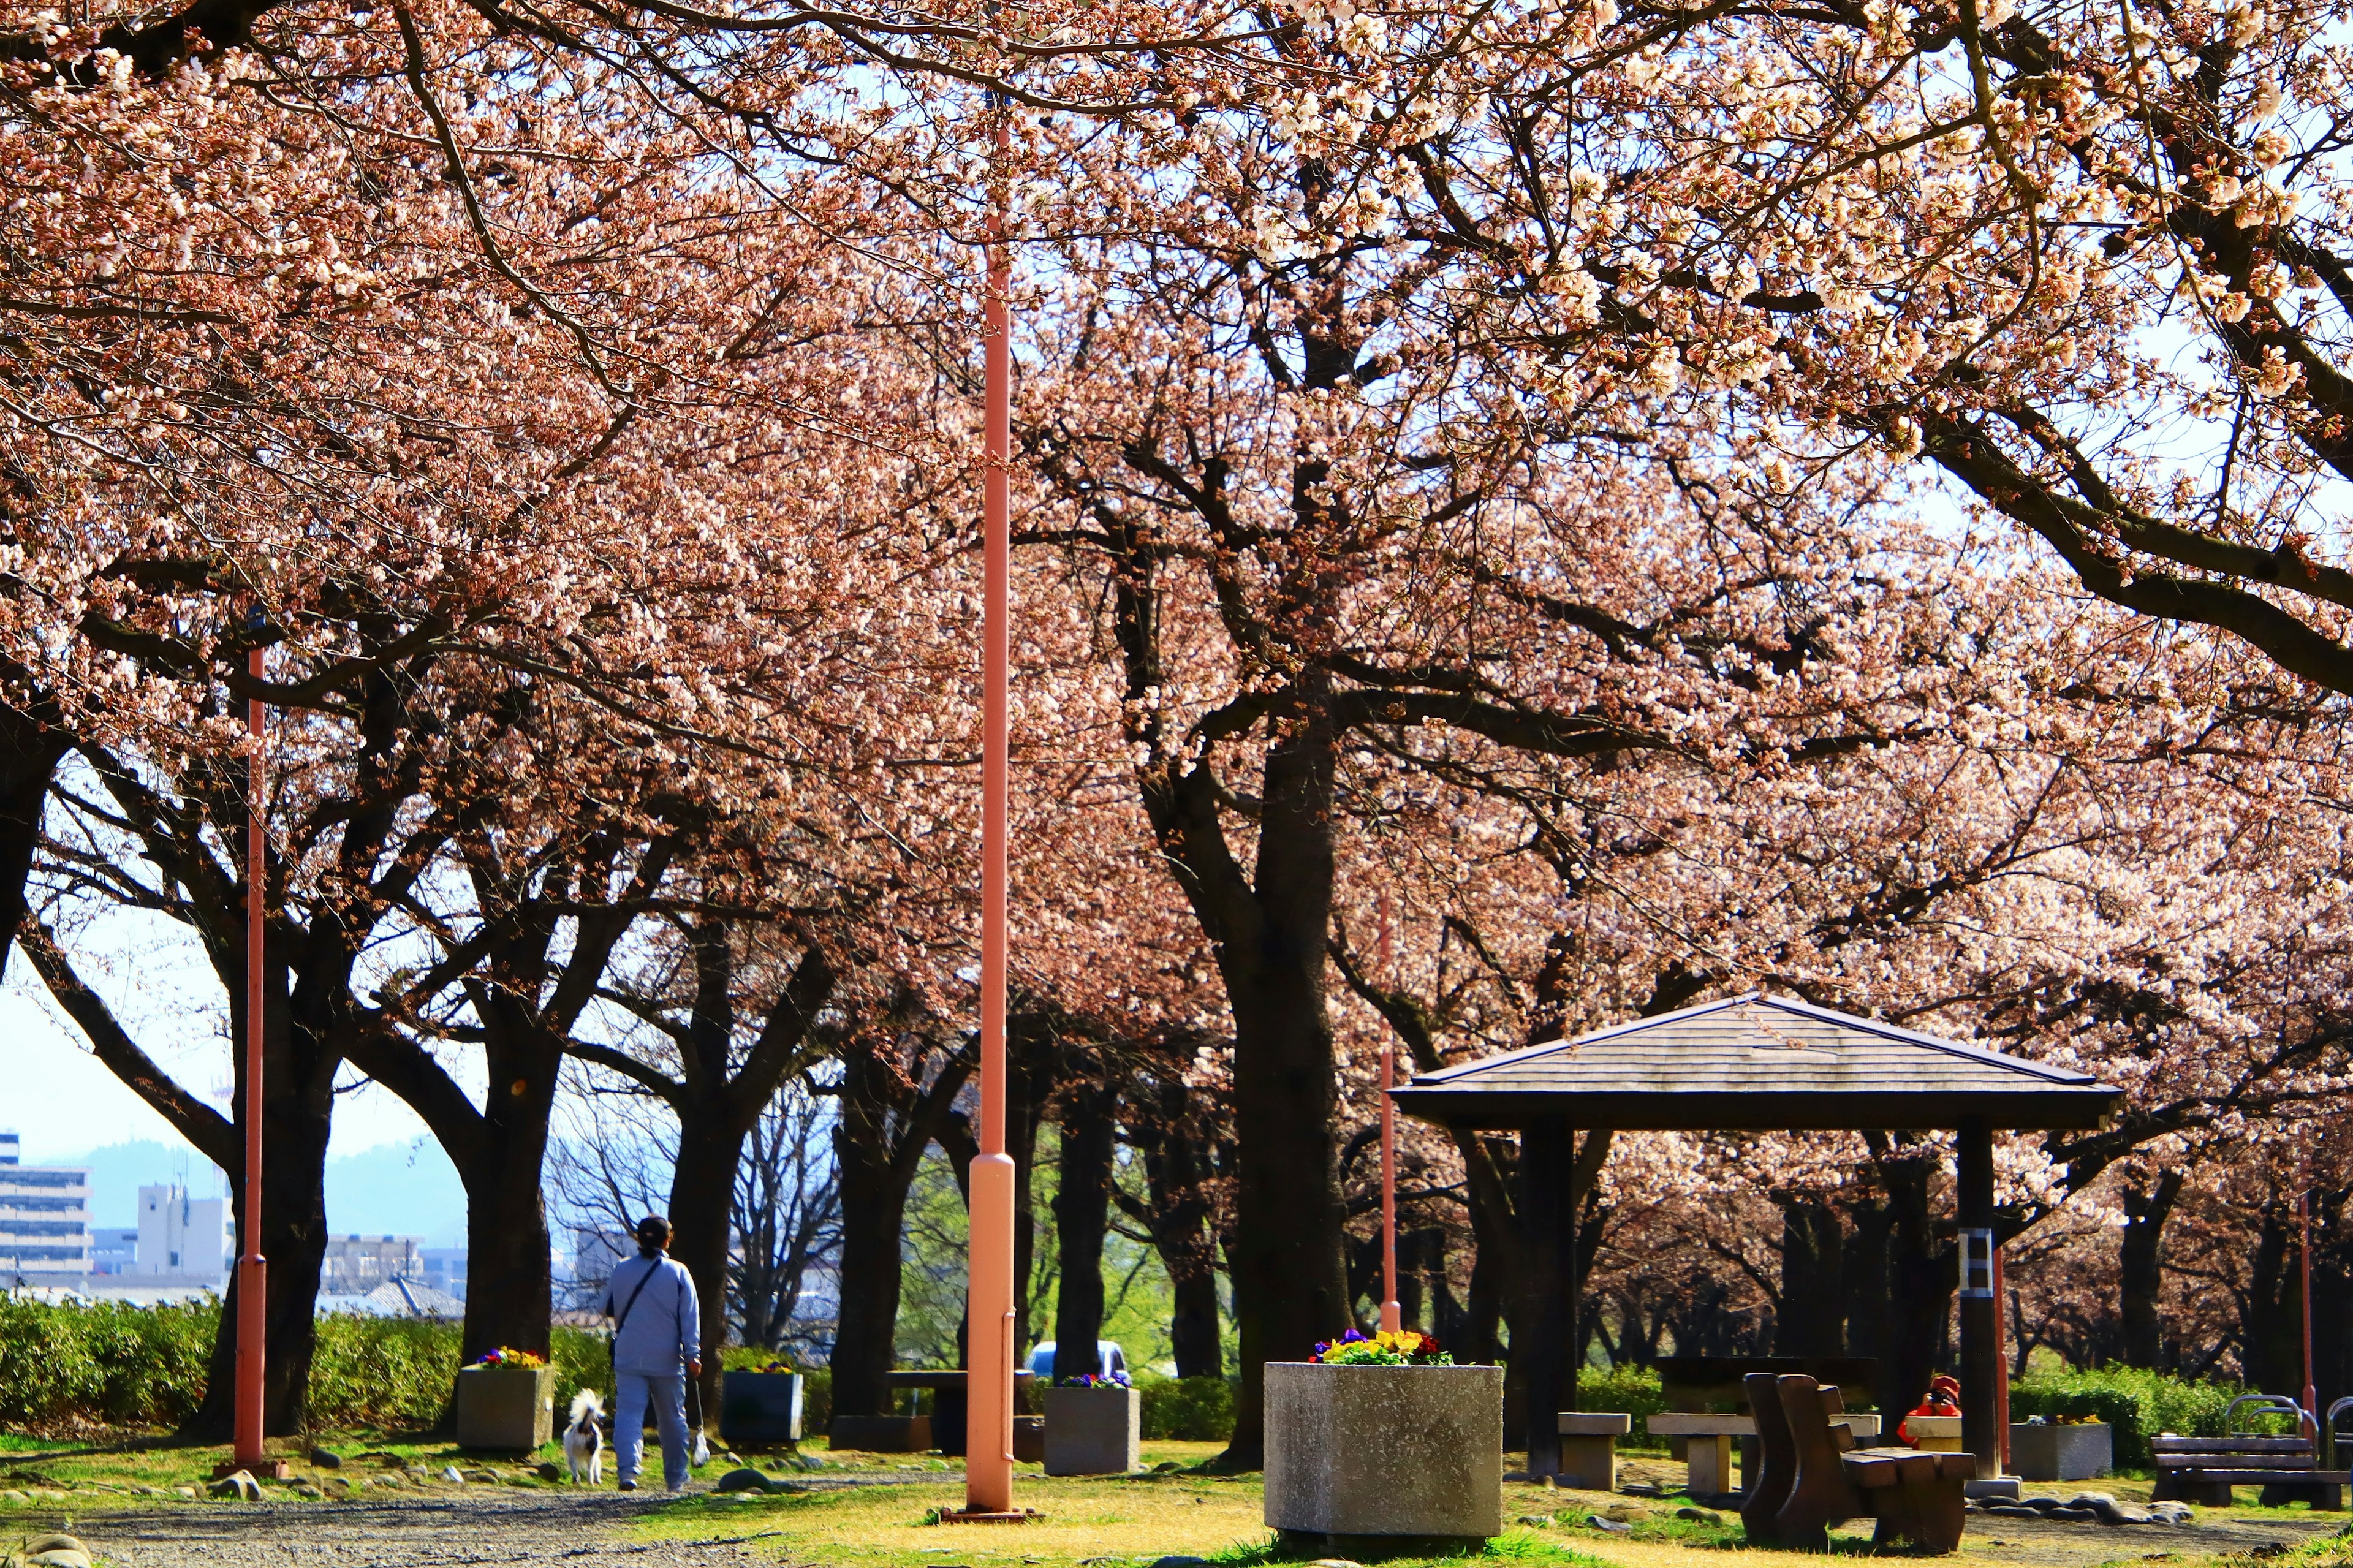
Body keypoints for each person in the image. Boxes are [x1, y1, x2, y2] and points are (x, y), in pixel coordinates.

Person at [602, 1214, 700, 1492]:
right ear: (668, 1239)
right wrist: (693, 1355)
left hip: (629, 1354)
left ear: (638, 1239)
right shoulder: (679, 1272)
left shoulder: (621, 1269)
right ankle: (675, 1477)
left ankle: (627, 1473)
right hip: (667, 1359)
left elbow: (604, 1307)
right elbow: (690, 1318)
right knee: (671, 1418)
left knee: (629, 1414)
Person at [1899, 1374, 1962, 1445]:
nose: (1941, 1399)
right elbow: (1905, 1436)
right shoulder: (1917, 1413)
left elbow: (1964, 1429)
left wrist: (1949, 1411)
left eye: (1946, 1396)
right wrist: (1926, 1409)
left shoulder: (1958, 1415)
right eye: (1938, 1394)